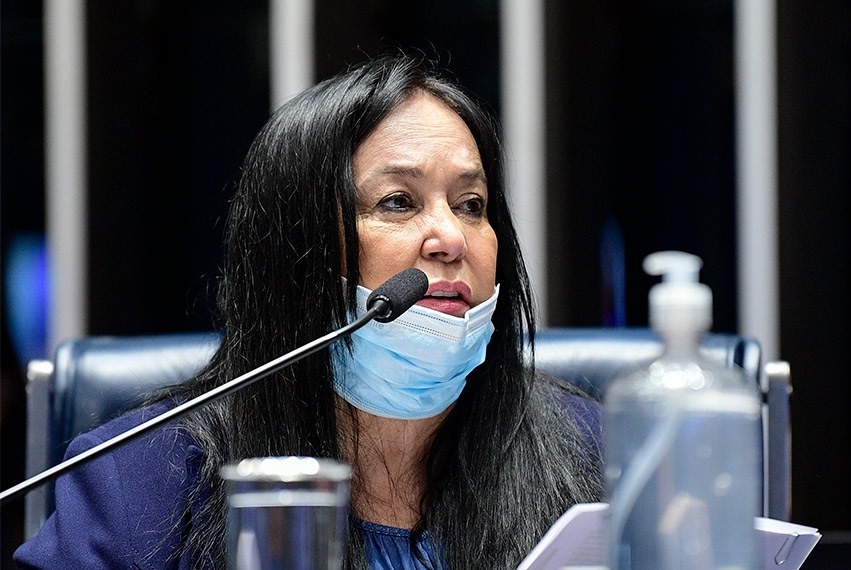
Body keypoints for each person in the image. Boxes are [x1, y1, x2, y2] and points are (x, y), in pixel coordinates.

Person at [15, 53, 603, 569]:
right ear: (301, 256)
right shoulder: (137, 483)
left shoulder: (594, 454)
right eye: (398, 202)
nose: (451, 238)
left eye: (471, 204)